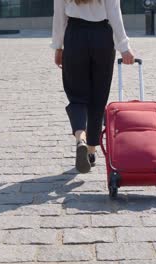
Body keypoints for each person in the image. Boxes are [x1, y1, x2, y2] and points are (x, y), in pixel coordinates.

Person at [51, 0, 135, 173]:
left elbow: (59, 17)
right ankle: (90, 150)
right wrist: (124, 48)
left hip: (75, 36)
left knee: (76, 95)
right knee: (98, 97)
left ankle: (80, 137)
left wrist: (58, 47)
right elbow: (114, 13)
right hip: (102, 38)